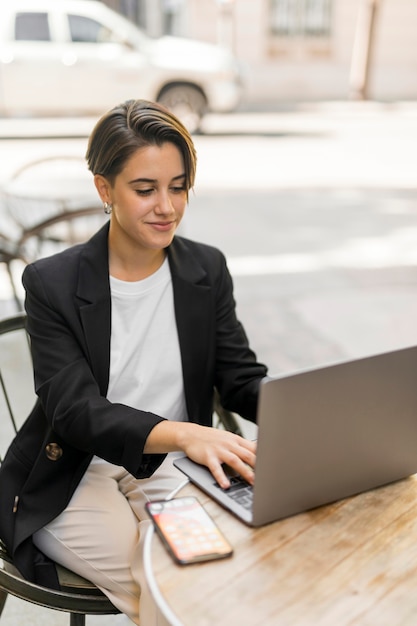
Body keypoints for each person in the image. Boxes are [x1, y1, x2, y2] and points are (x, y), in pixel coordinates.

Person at [0, 99, 268, 625]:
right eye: (145, 190)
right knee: (165, 583)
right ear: (105, 190)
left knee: (195, 572)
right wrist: (185, 433)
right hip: (72, 472)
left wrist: (307, 410)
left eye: (179, 185)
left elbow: (239, 378)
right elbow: (75, 411)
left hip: (168, 470)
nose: (166, 206)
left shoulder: (205, 269)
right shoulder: (52, 282)